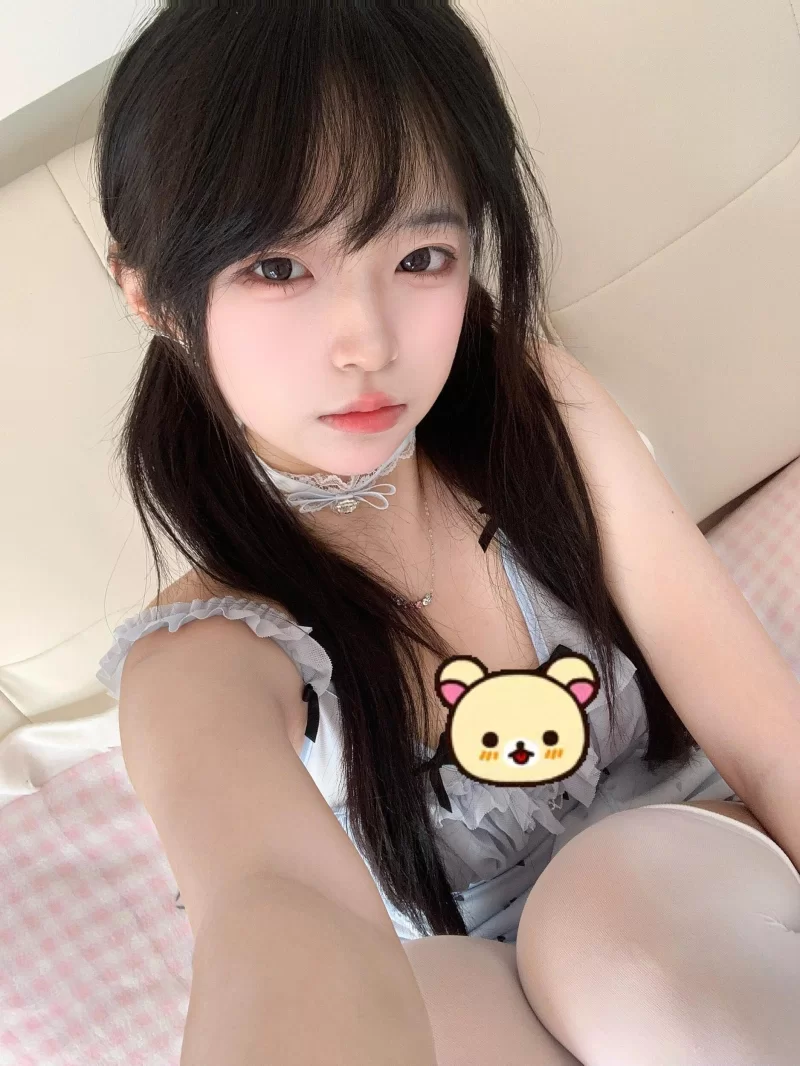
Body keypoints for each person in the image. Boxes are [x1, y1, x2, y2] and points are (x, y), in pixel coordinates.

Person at [94, 4, 800, 1065]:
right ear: (151, 295)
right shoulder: (201, 658)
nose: (366, 341)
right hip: (490, 988)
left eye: (420, 256)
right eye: (278, 268)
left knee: (606, 917)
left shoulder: (538, 416)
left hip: (709, 895)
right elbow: (273, 912)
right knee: (431, 1006)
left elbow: (762, 729)